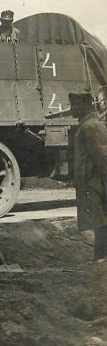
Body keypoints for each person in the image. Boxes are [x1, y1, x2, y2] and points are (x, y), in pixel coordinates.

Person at [70, 92, 107, 261]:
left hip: (94, 182)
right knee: (97, 219)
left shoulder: (91, 126)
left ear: (84, 107)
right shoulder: (87, 125)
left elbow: (101, 156)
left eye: (75, 106)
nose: (72, 109)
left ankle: (101, 256)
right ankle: (100, 255)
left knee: (100, 220)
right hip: (90, 182)